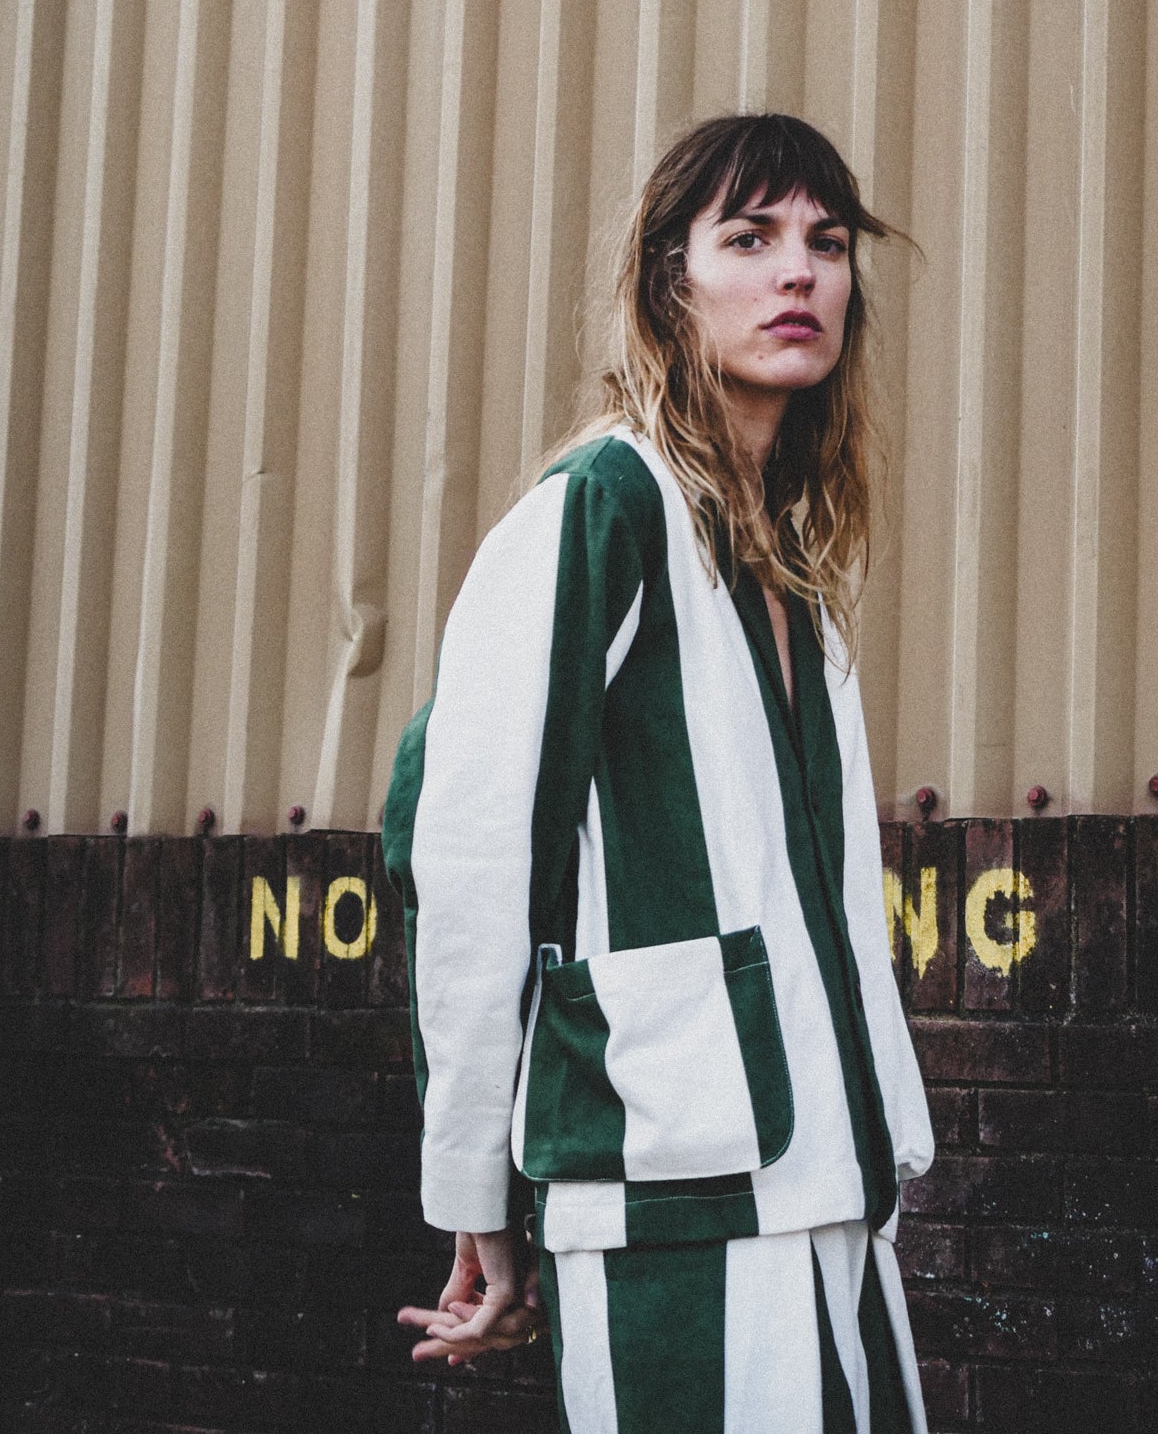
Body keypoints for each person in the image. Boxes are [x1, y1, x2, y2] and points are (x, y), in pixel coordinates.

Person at [392, 112, 934, 1431]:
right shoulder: (604, 506)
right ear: (669, 283)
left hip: (835, 1194)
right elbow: (459, 848)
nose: (797, 272)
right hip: (678, 1205)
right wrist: (479, 1195)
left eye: (825, 241)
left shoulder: (785, 566)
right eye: (748, 239)